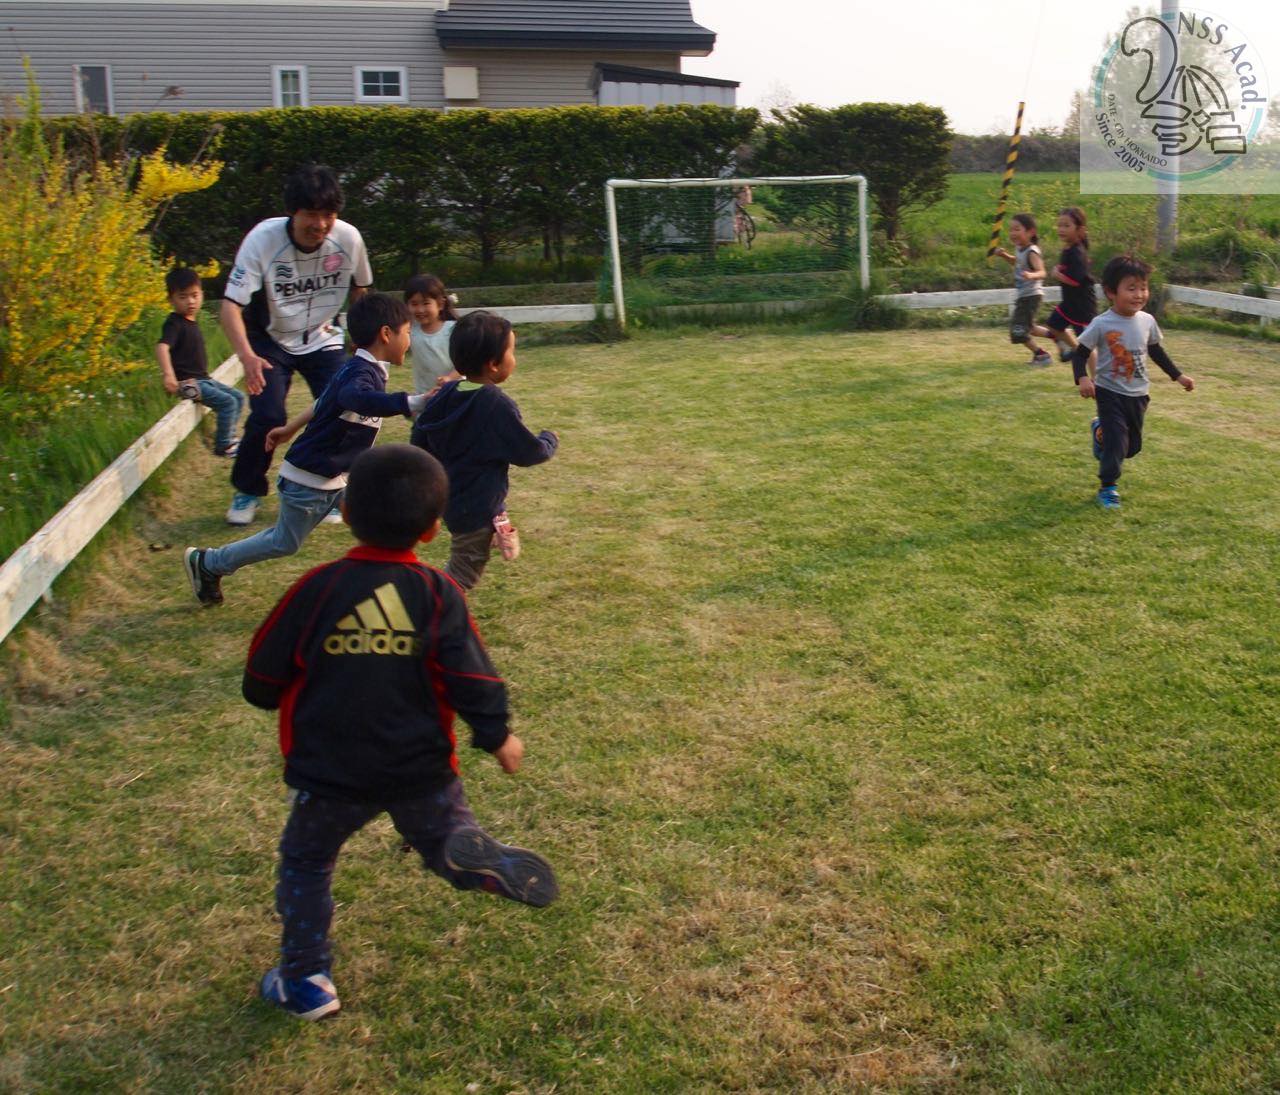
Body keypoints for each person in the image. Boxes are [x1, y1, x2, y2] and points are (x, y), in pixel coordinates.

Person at [243, 442, 558, 1021]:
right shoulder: (438, 593)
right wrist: (498, 736)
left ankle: (305, 979)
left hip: (329, 772)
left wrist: (269, 692)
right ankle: (465, 856)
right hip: (419, 769)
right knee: (442, 838)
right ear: (433, 530)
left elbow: (263, 672)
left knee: (307, 861)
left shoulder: (315, 589)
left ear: (347, 514)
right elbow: (473, 676)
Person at [184, 293, 429, 605]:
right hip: (310, 479)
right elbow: (354, 399)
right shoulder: (359, 374)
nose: (409, 339)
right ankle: (209, 563)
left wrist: (290, 428)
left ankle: (388, 580)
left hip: (335, 477)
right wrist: (412, 402)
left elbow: (326, 400)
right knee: (284, 542)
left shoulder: (366, 368)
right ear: (386, 334)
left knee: (378, 520)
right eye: (407, 332)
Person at [220, 164, 373, 526]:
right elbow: (229, 307)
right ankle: (247, 489)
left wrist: (360, 340)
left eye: (328, 215)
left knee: (346, 408)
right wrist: (247, 357)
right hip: (270, 339)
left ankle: (331, 488)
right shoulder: (262, 239)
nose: (320, 224)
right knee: (269, 415)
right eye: (311, 215)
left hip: (323, 335)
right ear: (293, 212)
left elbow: (361, 289)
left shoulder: (349, 238)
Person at [410, 311, 558, 591]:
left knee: (470, 547)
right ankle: (430, 605)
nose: (514, 359)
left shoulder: (448, 393)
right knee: (463, 571)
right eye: (511, 352)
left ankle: (497, 529)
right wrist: (549, 440)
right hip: (475, 505)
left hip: (451, 497)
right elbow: (528, 452)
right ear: (493, 364)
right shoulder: (493, 403)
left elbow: (419, 439)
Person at [1071, 254, 1195, 510]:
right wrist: (1082, 377)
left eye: (1143, 287)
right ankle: (1108, 488)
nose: (1139, 294)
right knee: (1117, 443)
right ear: (1111, 292)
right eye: (1131, 288)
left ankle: (1099, 431)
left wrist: (1178, 376)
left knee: (1131, 448)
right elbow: (1080, 353)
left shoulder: (1147, 321)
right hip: (1109, 392)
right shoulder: (1101, 323)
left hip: (1139, 394)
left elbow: (1157, 352)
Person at [156, 268, 245, 457]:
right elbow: (162, 347)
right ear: (171, 300)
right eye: (183, 297)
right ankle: (223, 445)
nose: (190, 301)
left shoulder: (192, 322)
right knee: (227, 402)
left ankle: (229, 436)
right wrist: (168, 376)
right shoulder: (174, 323)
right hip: (187, 384)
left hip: (203, 379)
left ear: (202, 295)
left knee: (238, 397)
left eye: (194, 295)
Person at [993, 213, 1053, 366]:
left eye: (1017, 229)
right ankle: (1059, 336)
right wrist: (1004, 255)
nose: (1012, 233)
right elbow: (1017, 262)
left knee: (1018, 330)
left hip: (1031, 296)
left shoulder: (1032, 251)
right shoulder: (1020, 249)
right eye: (1011, 229)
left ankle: (1041, 355)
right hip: (1024, 296)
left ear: (1030, 232)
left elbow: (1042, 272)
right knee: (1030, 328)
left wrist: (1031, 275)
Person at [1046, 207, 1096, 365]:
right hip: (1069, 304)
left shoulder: (1077, 252)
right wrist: (1061, 269)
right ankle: (1073, 349)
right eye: (1059, 225)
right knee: (1053, 325)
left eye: (1066, 225)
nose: (1061, 229)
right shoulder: (1068, 249)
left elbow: (1076, 281)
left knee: (1088, 348)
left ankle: (1097, 378)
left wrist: (1057, 275)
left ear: (1080, 229)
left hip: (1082, 307)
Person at [404, 273, 460, 395]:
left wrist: (450, 378)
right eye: (414, 304)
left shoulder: (452, 329)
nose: (420, 310)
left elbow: (467, 362)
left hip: (454, 392)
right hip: (425, 395)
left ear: (440, 304)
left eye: (426, 303)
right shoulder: (410, 330)